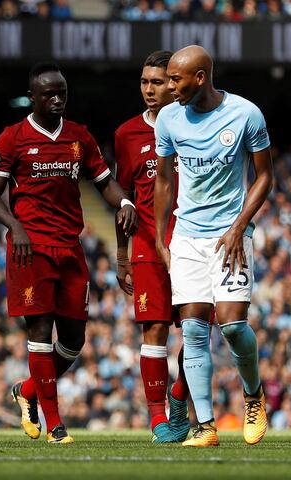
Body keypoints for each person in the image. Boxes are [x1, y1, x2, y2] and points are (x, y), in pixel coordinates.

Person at [0, 62, 137, 444]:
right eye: (49, 94)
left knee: (72, 342)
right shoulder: (12, 138)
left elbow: (105, 183)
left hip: (70, 246)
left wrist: (126, 203)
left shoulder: (78, 137)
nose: (56, 100)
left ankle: (28, 391)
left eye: (62, 93)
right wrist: (15, 226)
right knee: (39, 332)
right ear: (32, 97)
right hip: (30, 248)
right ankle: (55, 425)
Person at [153, 45, 273, 447]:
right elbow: (165, 181)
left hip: (230, 233)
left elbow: (264, 178)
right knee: (193, 329)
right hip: (187, 235)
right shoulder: (169, 119)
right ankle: (205, 427)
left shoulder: (245, 114)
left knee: (233, 324)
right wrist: (160, 235)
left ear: (199, 77)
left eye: (175, 79)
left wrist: (240, 227)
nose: (170, 88)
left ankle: (253, 396)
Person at [114, 50, 191, 443]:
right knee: (155, 330)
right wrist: (121, 255)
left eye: (157, 82)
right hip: (148, 243)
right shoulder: (127, 134)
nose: (149, 89)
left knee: (197, 331)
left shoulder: (195, 124)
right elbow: (125, 195)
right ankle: (158, 418)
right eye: (144, 82)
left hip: (193, 241)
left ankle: (180, 395)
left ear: (175, 84)